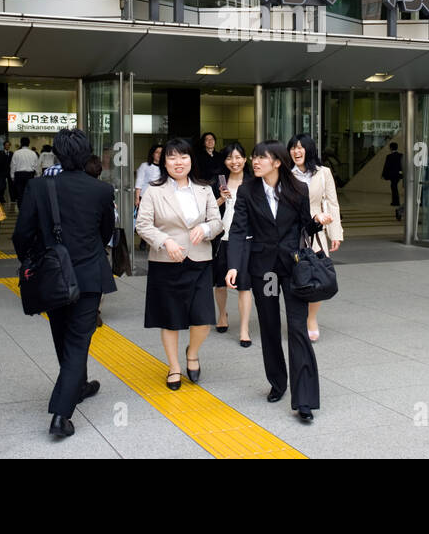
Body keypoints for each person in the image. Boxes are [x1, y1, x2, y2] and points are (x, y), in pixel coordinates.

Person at [13, 128, 116, 439]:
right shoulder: (100, 190)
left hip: (52, 273)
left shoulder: (38, 187)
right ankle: (61, 414)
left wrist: (33, 260)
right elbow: (105, 233)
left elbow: (21, 234)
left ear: (55, 154)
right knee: (78, 341)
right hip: (88, 275)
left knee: (62, 334)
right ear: (86, 155)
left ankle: (77, 385)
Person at [226, 140, 320, 422]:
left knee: (297, 328)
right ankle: (278, 383)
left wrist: (319, 221)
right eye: (253, 158)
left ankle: (304, 399)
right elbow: (238, 229)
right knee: (268, 325)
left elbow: (305, 224)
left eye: (260, 158)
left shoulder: (298, 189)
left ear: (277, 162)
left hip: (292, 267)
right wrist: (233, 266)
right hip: (263, 269)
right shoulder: (247, 190)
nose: (254, 162)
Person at [135, 138, 222, 390]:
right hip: (166, 262)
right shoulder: (154, 189)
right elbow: (143, 225)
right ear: (164, 162)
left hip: (200, 260)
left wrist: (205, 228)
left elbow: (217, 222)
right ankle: (174, 367)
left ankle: (192, 353)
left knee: (203, 320)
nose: (178, 162)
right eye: (172, 158)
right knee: (170, 319)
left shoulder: (204, 189)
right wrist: (165, 241)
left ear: (191, 160)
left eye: (183, 157)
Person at [288, 133, 342, 343]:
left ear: (309, 150)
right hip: (291, 228)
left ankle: (311, 319)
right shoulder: (284, 172)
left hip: (317, 230)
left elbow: (332, 202)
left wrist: (335, 232)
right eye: (293, 147)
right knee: (294, 274)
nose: (296, 151)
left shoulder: (323, 173)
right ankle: (297, 319)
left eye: (301, 147)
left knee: (317, 275)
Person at [213, 141, 254, 348]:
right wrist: (221, 199)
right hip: (222, 238)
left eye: (238, 157)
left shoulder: (254, 181)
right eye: (230, 158)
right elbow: (207, 211)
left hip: (246, 240)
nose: (234, 162)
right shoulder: (219, 182)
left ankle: (244, 329)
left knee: (244, 285)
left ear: (245, 160)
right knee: (220, 283)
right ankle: (222, 315)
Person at [11, 136, 39, 206]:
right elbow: (36, 166)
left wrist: (12, 177)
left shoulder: (16, 153)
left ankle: (21, 211)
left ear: (21, 143)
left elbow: (13, 165)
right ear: (29, 144)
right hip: (30, 175)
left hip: (19, 175)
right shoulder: (33, 153)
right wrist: (37, 175)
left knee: (20, 194)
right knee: (30, 193)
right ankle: (29, 209)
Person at [134, 143, 163, 209]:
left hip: (161, 198)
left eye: (161, 153)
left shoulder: (167, 167)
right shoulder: (145, 166)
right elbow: (139, 182)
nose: (159, 154)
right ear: (152, 154)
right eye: (157, 152)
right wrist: (137, 198)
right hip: (145, 197)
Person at [381, 141, 404, 219]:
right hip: (399, 174)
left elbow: (386, 166)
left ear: (391, 148)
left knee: (393, 186)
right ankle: (395, 201)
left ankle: (396, 201)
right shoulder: (401, 155)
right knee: (394, 186)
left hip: (392, 175)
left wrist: (383, 175)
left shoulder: (389, 156)